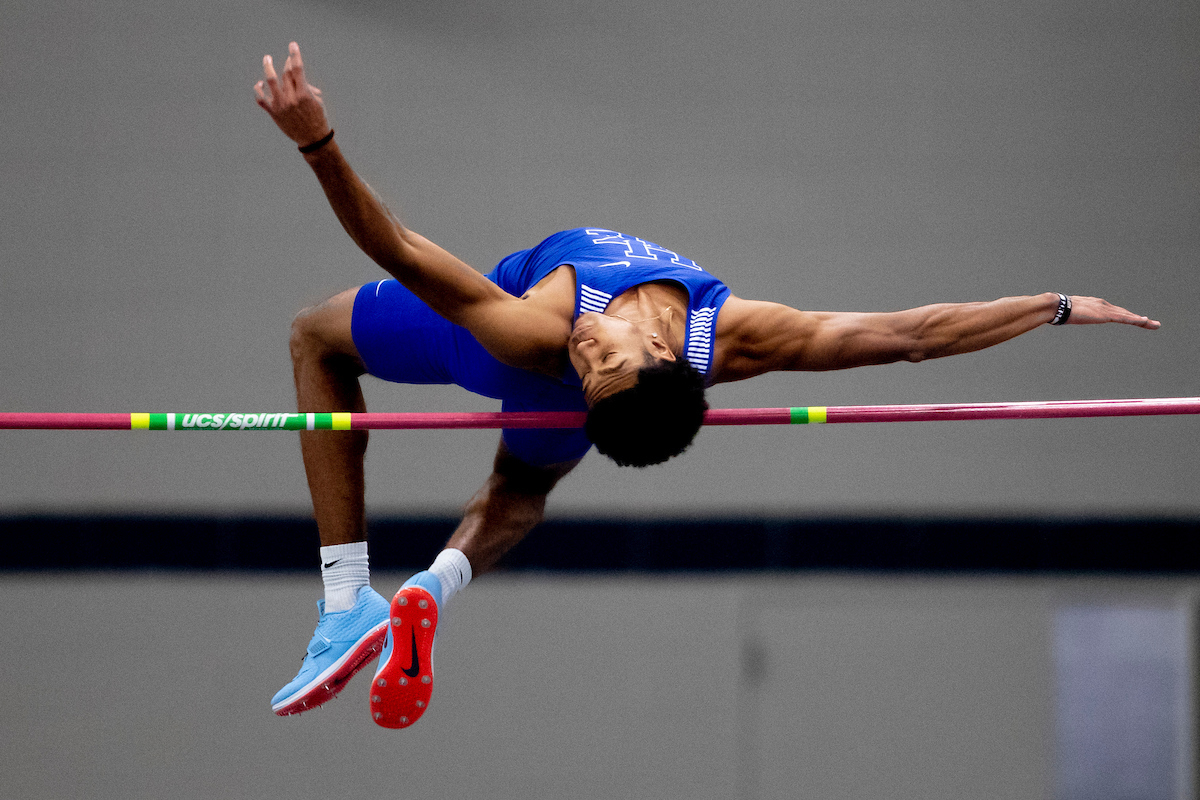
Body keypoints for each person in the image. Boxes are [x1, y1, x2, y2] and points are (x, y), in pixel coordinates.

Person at [254, 42, 1160, 729]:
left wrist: (318, 142)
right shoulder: (734, 337)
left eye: (590, 371)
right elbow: (911, 336)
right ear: (663, 360)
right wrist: (1056, 302)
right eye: (599, 361)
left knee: (314, 337)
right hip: (554, 402)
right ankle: (437, 589)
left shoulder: (542, 332)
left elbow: (401, 251)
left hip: (488, 350)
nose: (584, 355)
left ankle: (346, 603)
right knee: (519, 493)